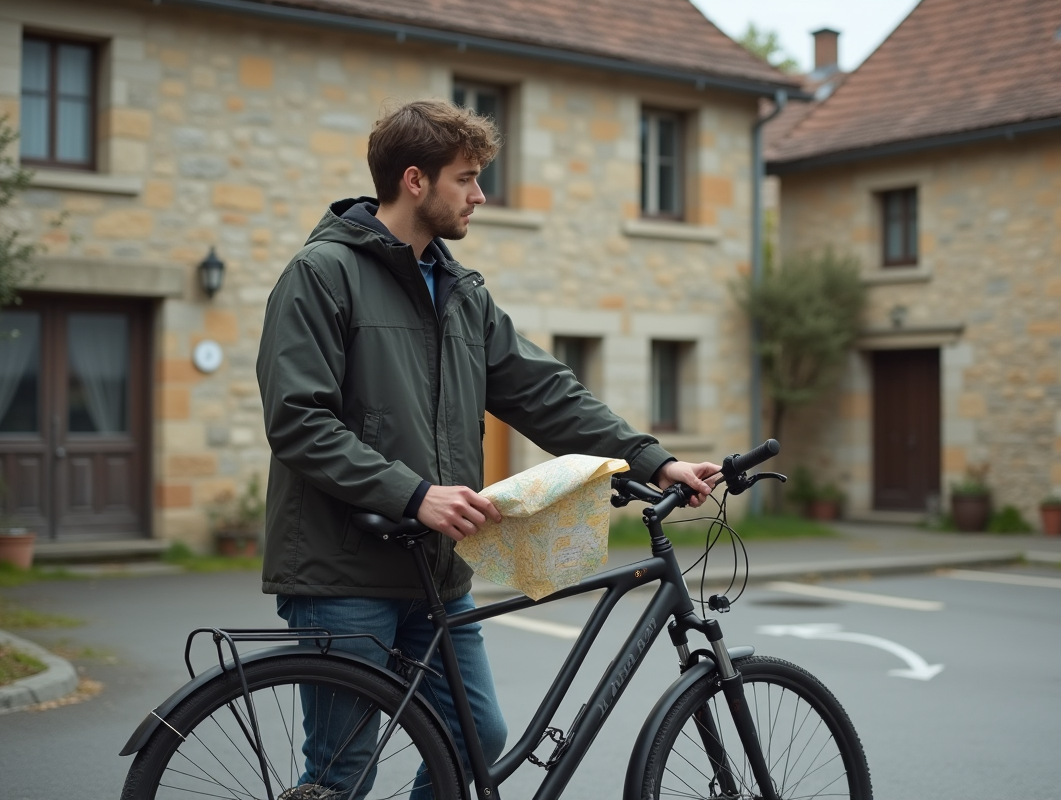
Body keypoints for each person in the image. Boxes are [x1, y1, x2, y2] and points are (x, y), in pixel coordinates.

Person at [255, 99, 720, 799]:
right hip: (342, 570)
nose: (480, 195)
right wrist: (414, 494)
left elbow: (545, 393)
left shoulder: (460, 292)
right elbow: (299, 422)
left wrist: (653, 459)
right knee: (341, 772)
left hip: (435, 570)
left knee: (477, 735)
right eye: (466, 179)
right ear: (415, 180)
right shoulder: (322, 274)